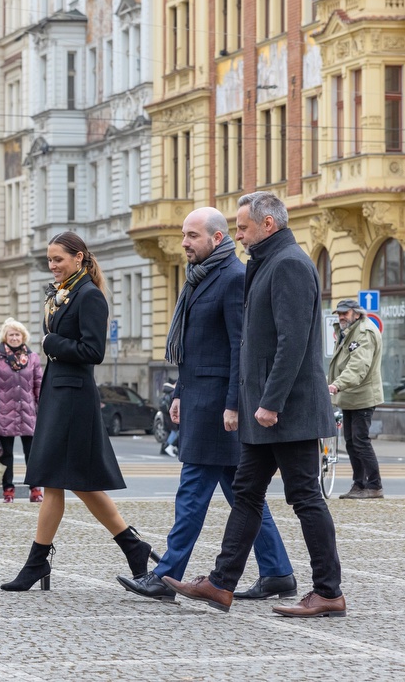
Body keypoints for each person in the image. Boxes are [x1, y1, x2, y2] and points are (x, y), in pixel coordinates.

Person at [163, 191, 346, 618]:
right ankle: (221, 584)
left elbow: (293, 342)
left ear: (268, 225)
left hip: (287, 410)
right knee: (246, 493)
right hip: (266, 409)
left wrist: (270, 402)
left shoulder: (289, 264)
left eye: (243, 228)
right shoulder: (268, 263)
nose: (238, 235)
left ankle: (328, 592)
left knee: (305, 497)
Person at [117, 206, 295, 603]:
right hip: (198, 398)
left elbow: (239, 348)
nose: (184, 243)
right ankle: (279, 572)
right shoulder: (199, 277)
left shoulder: (232, 277)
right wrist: (179, 390)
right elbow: (196, 347)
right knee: (242, 496)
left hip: (218, 408)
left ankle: (165, 576)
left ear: (216, 238)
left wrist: (233, 404)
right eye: (183, 235)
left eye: (192, 236)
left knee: (192, 492)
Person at [1, 232, 157, 592]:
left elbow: (93, 351)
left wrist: (49, 343)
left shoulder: (89, 295)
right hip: (59, 393)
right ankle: (131, 550)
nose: (53, 266)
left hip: (74, 398)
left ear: (79, 258)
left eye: (58, 259)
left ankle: (41, 562)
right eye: (50, 260)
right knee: (65, 481)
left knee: (67, 480)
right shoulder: (66, 292)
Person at [0, 317, 43, 503]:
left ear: (24, 337)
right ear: (4, 337)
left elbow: (38, 384)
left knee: (33, 453)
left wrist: (43, 409)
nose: (14, 337)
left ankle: (35, 489)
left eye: (18, 334)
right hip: (2, 412)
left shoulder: (32, 357)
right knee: (6, 455)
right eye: (11, 334)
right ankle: (8, 490)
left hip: (28, 412)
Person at [328, 298, 384, 499]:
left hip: (362, 395)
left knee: (360, 440)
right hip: (350, 395)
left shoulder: (364, 333)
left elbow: (358, 367)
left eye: (345, 313)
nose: (342, 316)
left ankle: (374, 485)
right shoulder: (348, 331)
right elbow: (341, 364)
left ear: (357, 313)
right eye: (340, 313)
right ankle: (359, 484)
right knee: (352, 442)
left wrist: (337, 385)